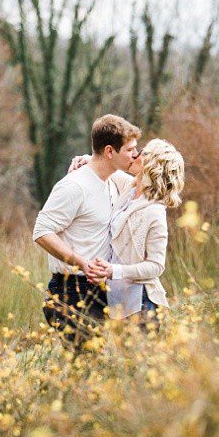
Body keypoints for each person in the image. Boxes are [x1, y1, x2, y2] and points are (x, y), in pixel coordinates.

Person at [32, 115, 139, 349]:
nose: (135, 154)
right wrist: (81, 262)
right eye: (130, 149)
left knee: (92, 373)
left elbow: (151, 177)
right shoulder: (74, 186)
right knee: (86, 372)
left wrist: (89, 157)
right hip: (70, 292)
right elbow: (42, 231)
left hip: (99, 291)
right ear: (110, 151)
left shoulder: (113, 180)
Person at [105, 138, 184, 330]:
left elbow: (156, 266)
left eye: (142, 152)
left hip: (143, 305)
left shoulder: (155, 211)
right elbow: (105, 168)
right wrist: (83, 159)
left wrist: (114, 271)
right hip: (118, 302)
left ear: (151, 164)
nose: (135, 155)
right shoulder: (130, 190)